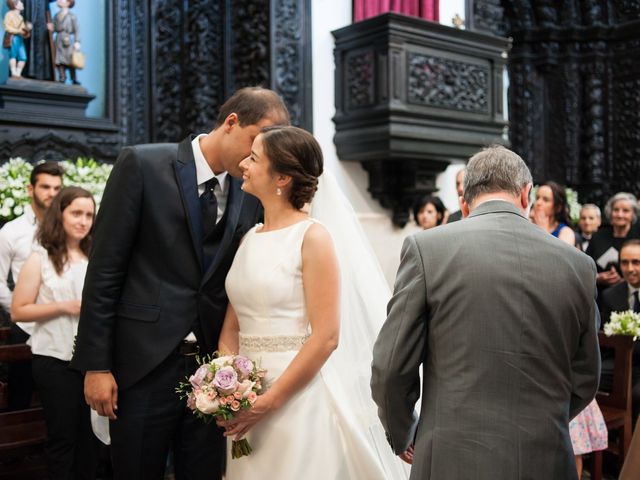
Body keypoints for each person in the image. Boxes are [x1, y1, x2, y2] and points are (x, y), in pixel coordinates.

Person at [70, 87, 290, 480]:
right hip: (141, 366)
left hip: (212, 374)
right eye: (257, 138)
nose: (260, 153)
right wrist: (96, 365)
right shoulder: (142, 164)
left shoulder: (249, 190)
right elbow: (104, 271)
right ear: (231, 122)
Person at [371, 145, 601, 480]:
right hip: (546, 456)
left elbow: (391, 367)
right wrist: (543, 423)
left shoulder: (427, 249)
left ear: (463, 200)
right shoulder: (579, 266)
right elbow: (586, 376)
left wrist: (404, 432)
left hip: (451, 457)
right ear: (526, 195)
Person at [219, 126, 408, 479]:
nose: (244, 164)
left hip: (295, 399)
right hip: (244, 402)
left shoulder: (313, 237)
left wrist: (269, 401)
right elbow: (232, 325)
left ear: (282, 178)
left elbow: (326, 337)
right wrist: (224, 385)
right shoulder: (249, 238)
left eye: (254, 158)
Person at [11, 186, 97, 479]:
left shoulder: (94, 257)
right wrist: (66, 306)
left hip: (89, 361)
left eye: (89, 215)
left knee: (91, 440)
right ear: (60, 214)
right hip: (55, 360)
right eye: (76, 213)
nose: (83, 221)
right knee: (63, 439)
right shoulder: (40, 257)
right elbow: (19, 310)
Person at [535, 191, 607, 478]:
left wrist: (538, 232)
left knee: (570, 443)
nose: (539, 203)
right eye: (537, 197)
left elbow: (558, 265)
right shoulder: (528, 224)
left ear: (558, 205)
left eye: (545, 198)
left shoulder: (563, 234)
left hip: (561, 354)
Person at [0, 161, 63, 410]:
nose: (52, 194)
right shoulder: (11, 231)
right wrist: (21, 308)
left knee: (60, 399)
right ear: (30, 189)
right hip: (25, 327)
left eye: (57, 188)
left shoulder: (68, 227)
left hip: (63, 326)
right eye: (46, 187)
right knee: (20, 396)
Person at [600, 239, 640, 423]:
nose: (630, 268)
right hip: (619, 363)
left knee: (635, 395)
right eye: (625, 262)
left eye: (636, 262)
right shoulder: (610, 295)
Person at [586, 192, 640, 293]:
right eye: (616, 210)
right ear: (610, 212)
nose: (620, 215)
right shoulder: (598, 236)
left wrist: (625, 280)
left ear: (633, 214)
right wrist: (598, 277)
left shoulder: (637, 237)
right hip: (600, 294)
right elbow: (585, 267)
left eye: (625, 211)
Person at [531, 181, 576, 246]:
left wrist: (543, 232)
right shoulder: (527, 223)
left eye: (545, 200)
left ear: (558, 208)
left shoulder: (566, 232)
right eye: (537, 198)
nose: (538, 203)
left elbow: (560, 255)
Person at [47, 0, 79, 84]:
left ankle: (74, 78)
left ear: (68, 3)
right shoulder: (57, 15)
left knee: (70, 60)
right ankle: (62, 76)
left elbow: (77, 30)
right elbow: (54, 27)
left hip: (67, 39)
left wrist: (77, 41)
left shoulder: (72, 16)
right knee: (59, 59)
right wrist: (51, 28)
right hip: (58, 40)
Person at [3, 0, 32, 78]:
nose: (22, 4)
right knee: (12, 55)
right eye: (20, 2)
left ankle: (18, 73)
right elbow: (7, 27)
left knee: (23, 57)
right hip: (12, 38)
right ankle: (14, 73)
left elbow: (22, 29)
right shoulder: (9, 15)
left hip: (19, 38)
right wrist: (18, 31)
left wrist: (26, 29)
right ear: (15, 5)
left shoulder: (20, 17)